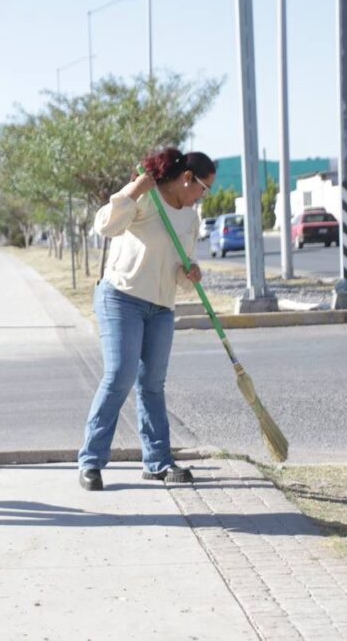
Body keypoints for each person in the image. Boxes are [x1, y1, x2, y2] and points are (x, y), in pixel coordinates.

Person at [78, 147, 216, 491]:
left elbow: (180, 272)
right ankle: (90, 462)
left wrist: (191, 273)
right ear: (187, 179)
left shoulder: (190, 218)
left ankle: (157, 462)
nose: (204, 195)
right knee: (119, 375)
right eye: (204, 187)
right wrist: (133, 191)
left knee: (153, 384)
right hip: (120, 298)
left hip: (160, 307)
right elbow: (105, 226)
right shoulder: (148, 199)